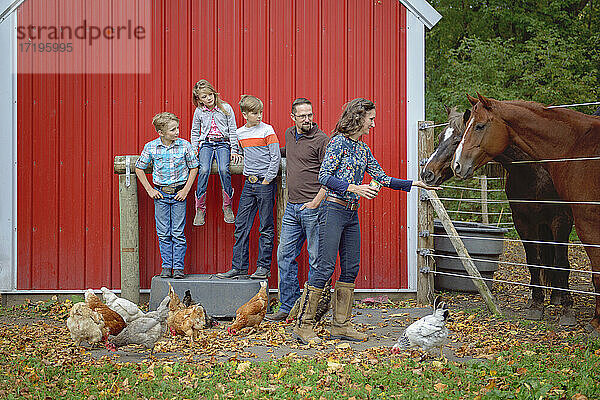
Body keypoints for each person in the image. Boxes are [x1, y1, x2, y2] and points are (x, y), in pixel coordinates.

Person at [293, 98, 439, 344]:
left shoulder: (363, 149)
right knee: (325, 268)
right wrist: (354, 187)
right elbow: (324, 176)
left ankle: (341, 325)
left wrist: (413, 183)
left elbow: (381, 177)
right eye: (370, 118)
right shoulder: (338, 143)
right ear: (358, 118)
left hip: (350, 213)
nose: (373, 123)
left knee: (351, 268)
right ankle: (303, 325)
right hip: (332, 210)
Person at [266, 98, 329, 321]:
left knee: (315, 260)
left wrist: (316, 201)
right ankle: (288, 307)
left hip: (313, 209)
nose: (307, 120)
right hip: (292, 209)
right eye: (302, 116)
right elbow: (286, 153)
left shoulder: (322, 140)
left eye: (310, 115)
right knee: (284, 256)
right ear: (293, 117)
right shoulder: (289, 135)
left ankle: (310, 310)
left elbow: (330, 174)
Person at [216, 95, 282, 280]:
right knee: (241, 225)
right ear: (245, 114)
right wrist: (235, 153)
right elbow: (234, 148)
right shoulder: (240, 133)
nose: (259, 116)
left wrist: (268, 180)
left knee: (266, 226)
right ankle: (239, 267)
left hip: (264, 184)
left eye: (261, 112)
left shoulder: (267, 130)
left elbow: (275, 157)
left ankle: (263, 267)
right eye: (254, 113)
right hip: (248, 184)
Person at [135, 112, 199, 279]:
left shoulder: (184, 146)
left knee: (177, 232)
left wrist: (185, 190)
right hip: (161, 195)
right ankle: (166, 266)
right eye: (172, 129)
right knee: (163, 233)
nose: (177, 132)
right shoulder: (151, 147)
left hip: (179, 194)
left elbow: (194, 167)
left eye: (177, 128)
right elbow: (139, 168)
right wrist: (150, 190)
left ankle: (178, 267)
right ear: (161, 132)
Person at [190, 79, 242, 226]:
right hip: (206, 144)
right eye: (205, 96)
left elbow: (232, 130)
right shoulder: (199, 112)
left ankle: (227, 206)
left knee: (224, 169)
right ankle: (200, 208)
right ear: (199, 99)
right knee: (204, 169)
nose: (209, 98)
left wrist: (235, 150)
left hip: (222, 144)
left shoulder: (225, 108)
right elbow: (195, 132)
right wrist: (194, 149)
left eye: (210, 94)